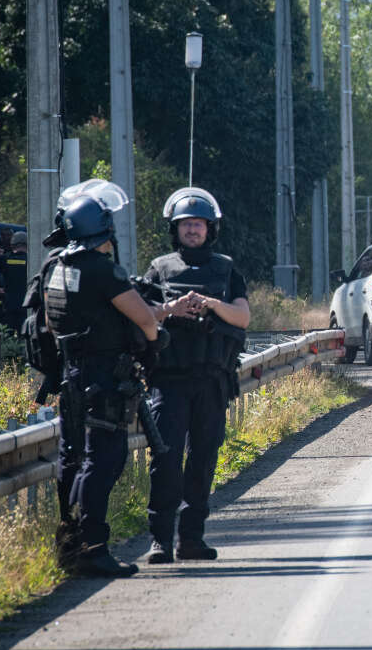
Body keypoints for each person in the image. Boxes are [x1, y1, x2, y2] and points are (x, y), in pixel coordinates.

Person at [45, 181, 161, 577]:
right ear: (104, 229)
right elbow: (144, 319)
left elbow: (52, 322)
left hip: (71, 374)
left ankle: (69, 543)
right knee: (105, 459)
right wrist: (151, 344)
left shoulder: (55, 268)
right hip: (104, 377)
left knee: (73, 459)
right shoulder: (102, 270)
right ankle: (92, 547)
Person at [142, 187, 250, 565]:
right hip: (168, 381)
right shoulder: (159, 267)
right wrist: (173, 309)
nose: (192, 230)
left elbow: (243, 317)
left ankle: (191, 539)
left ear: (210, 228)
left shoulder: (226, 268)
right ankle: (159, 541)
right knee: (166, 460)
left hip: (211, 381)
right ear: (176, 228)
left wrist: (211, 305)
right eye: (186, 224)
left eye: (198, 224)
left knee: (203, 460)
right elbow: (143, 314)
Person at [1, 231, 30, 330]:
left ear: (12, 244)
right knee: (24, 332)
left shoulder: (5, 258)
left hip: (9, 302)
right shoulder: (30, 259)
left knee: (8, 333)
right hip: (25, 303)